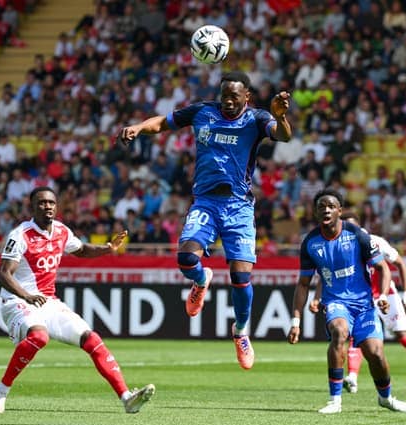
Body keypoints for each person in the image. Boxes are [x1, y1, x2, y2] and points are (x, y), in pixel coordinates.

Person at [119, 71, 291, 370]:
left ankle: (240, 332)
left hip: (238, 207)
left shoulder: (257, 119)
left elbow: (284, 135)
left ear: (246, 97)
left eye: (234, 97)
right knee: (186, 258)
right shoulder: (202, 111)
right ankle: (201, 279)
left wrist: (281, 117)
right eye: (224, 95)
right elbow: (163, 122)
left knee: (240, 277)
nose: (228, 101)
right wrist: (138, 127)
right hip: (206, 202)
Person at [0, 187, 154, 414]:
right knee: (39, 336)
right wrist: (26, 295)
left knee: (91, 339)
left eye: (51, 203)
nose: (47, 206)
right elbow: (4, 274)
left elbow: (82, 250)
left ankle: (127, 398)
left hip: (47, 301)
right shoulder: (20, 235)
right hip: (17, 301)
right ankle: (1, 390)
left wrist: (108, 248)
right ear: (32, 207)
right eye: (42, 203)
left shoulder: (61, 231)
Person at [287, 188, 406, 415]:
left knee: (375, 353)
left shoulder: (357, 235)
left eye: (331, 206)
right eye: (321, 206)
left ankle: (385, 398)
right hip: (335, 302)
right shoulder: (310, 243)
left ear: (340, 210)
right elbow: (304, 284)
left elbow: (382, 268)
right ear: (316, 212)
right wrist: (296, 321)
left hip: (364, 304)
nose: (326, 209)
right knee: (339, 330)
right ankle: (335, 400)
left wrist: (383, 295)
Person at [309, 212, 406, 396]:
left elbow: (399, 264)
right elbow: (328, 275)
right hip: (358, 298)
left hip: (385, 295)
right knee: (351, 336)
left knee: (404, 336)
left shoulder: (375, 242)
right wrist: (317, 297)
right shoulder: (337, 246)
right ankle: (353, 378)